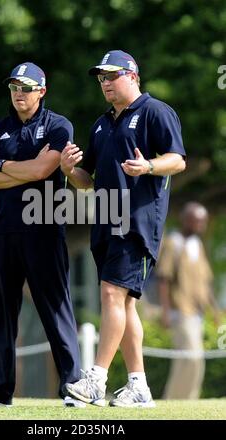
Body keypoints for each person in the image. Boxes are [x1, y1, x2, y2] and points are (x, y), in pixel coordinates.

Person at [60, 50, 186, 407]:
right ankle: (139, 386)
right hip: (105, 221)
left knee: (112, 295)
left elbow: (177, 159)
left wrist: (147, 166)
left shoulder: (156, 112)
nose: (105, 84)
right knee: (124, 304)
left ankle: (95, 380)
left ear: (132, 76)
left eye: (111, 76)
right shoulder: (101, 124)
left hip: (138, 223)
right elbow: (88, 181)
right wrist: (70, 170)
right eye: (101, 79)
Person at [0, 62, 84, 408]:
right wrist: (14, 171)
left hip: (44, 227)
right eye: (15, 87)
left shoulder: (58, 125)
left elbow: (42, 169)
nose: (19, 93)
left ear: (41, 91)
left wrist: (3, 166)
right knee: (4, 311)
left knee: (55, 306)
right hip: (2, 230)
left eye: (27, 87)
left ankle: (73, 384)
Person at [156, 202, 219, 399]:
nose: (202, 225)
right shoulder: (173, 243)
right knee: (191, 357)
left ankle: (189, 400)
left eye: (203, 221)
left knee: (194, 360)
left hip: (197, 312)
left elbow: (205, 282)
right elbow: (163, 279)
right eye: (198, 221)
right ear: (186, 220)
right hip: (180, 311)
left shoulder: (197, 245)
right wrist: (165, 312)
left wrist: (215, 310)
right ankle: (172, 400)